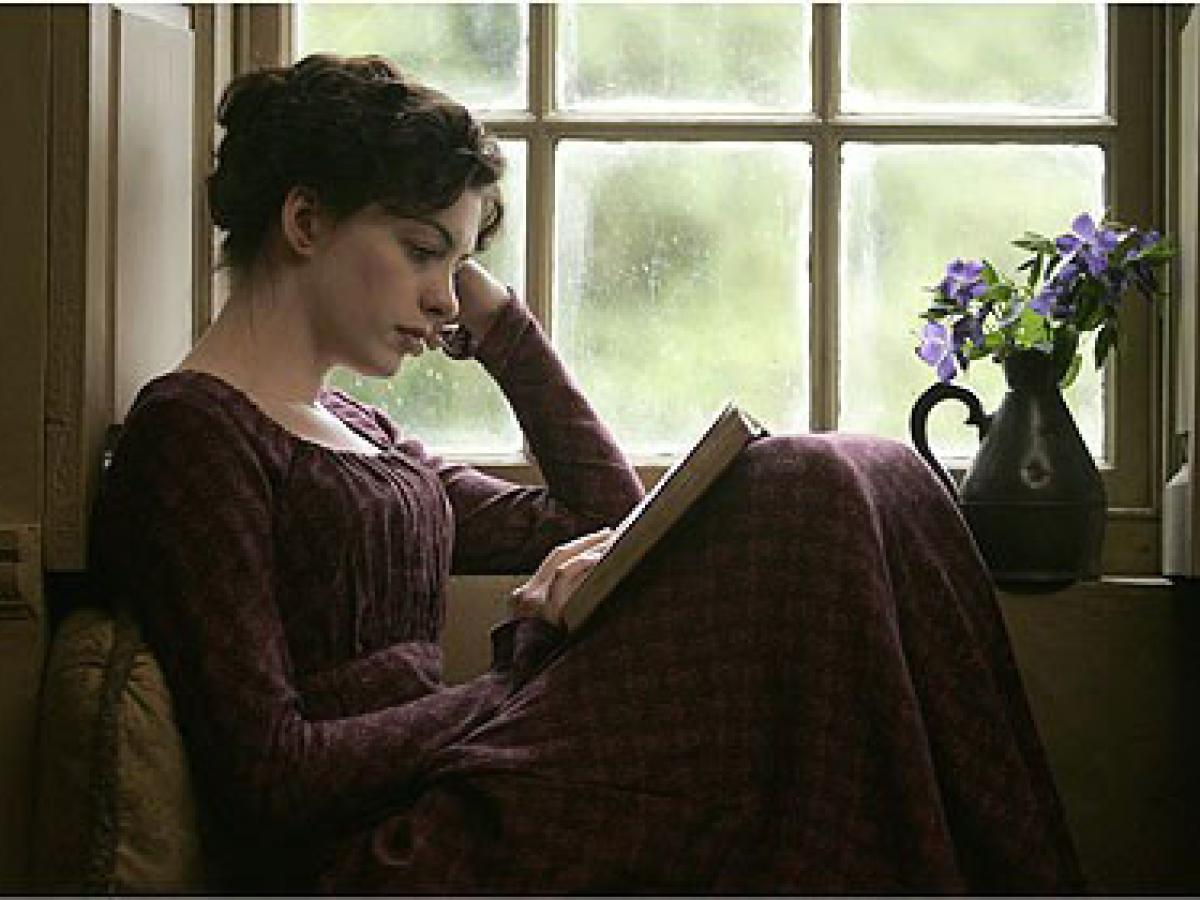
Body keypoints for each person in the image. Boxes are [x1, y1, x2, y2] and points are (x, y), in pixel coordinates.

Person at [89, 53, 1083, 893]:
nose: (443, 299)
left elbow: (613, 518)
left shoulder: (365, 435)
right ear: (304, 222)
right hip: (384, 856)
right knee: (807, 491)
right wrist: (523, 676)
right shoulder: (194, 433)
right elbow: (271, 773)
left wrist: (505, 330)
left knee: (871, 474)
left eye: (460, 266)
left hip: (467, 777)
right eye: (420, 251)